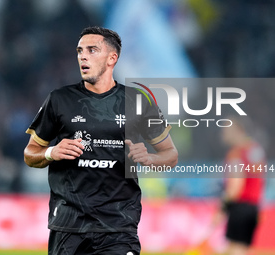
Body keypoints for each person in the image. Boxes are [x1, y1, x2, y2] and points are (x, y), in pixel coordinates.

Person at [24, 26, 178, 255]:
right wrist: (51, 152)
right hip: (69, 225)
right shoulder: (59, 99)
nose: (82, 56)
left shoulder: (137, 100)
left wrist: (149, 157)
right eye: (79, 51)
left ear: (112, 58)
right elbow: (30, 154)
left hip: (118, 226)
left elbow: (171, 155)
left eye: (92, 50)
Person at [220, 116, 266, 255]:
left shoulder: (236, 153)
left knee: (235, 250)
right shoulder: (256, 150)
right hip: (253, 207)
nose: (223, 134)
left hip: (239, 207)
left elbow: (235, 186)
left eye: (226, 130)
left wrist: (222, 207)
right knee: (237, 249)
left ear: (237, 130)